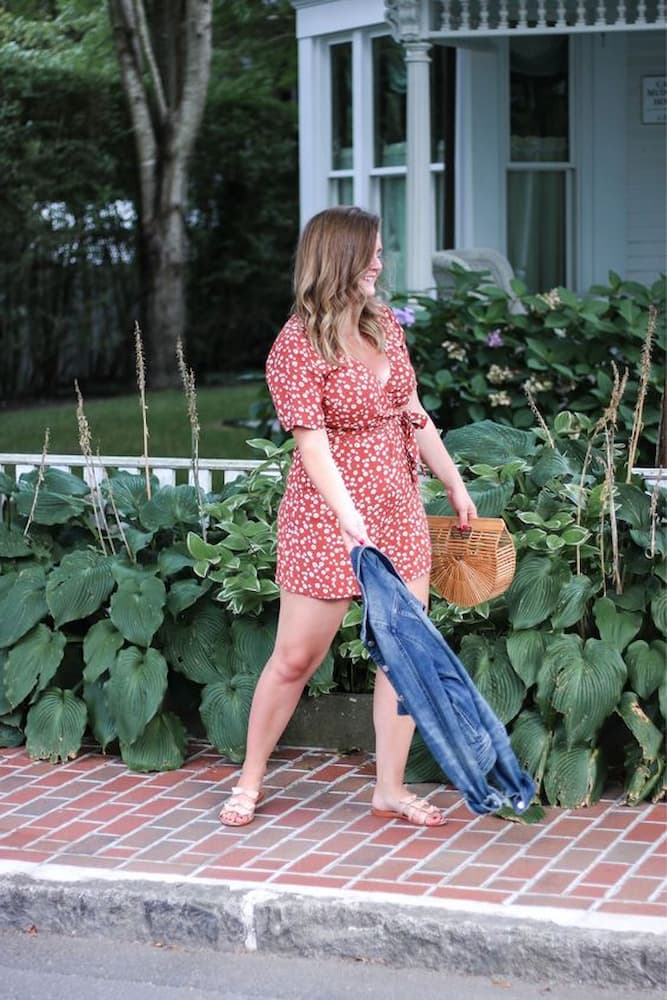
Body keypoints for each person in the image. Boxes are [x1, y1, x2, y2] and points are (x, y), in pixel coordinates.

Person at [219, 206, 477, 828]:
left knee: (404, 656)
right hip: (325, 521)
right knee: (295, 659)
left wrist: (452, 480)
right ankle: (250, 779)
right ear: (340, 259)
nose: (381, 263)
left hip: (398, 511)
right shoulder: (296, 346)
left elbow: (412, 412)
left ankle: (388, 787)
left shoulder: (386, 325)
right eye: (373, 253)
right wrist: (348, 515)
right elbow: (312, 445)